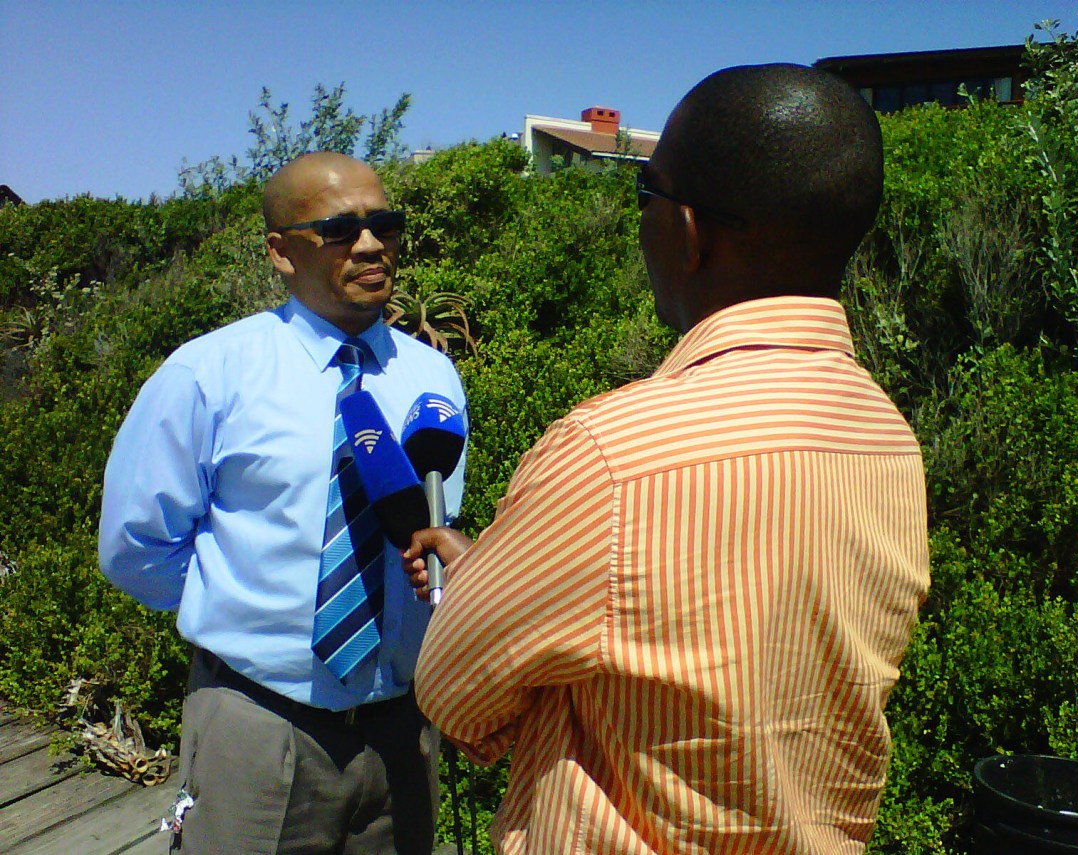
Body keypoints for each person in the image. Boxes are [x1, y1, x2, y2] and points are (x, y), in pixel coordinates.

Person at [404, 65, 929, 853]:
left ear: (688, 231)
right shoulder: (887, 437)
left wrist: (486, 585)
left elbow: (454, 696)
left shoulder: (610, 456)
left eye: (644, 192)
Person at [99, 151, 466, 854]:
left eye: (385, 224)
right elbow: (135, 547)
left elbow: (433, 529)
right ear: (279, 251)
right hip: (257, 726)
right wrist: (243, 604)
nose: (370, 245)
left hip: (403, 728)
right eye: (340, 229)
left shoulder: (433, 377)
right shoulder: (209, 374)